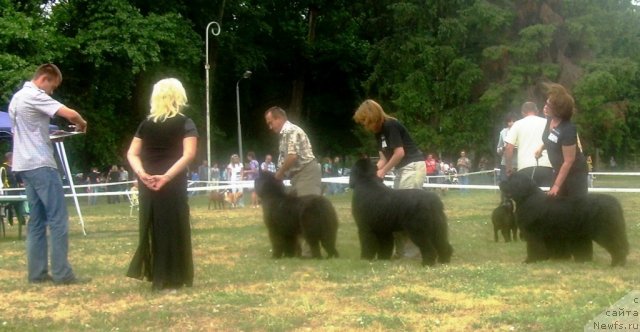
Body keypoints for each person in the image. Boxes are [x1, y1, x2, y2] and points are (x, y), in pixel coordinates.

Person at [8, 63, 89, 284]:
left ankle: (37, 274)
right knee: (58, 219)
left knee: (36, 220)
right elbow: (70, 114)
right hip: (41, 164)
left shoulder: (16, 99)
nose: (52, 92)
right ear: (44, 78)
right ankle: (63, 274)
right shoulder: (35, 95)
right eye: (52, 86)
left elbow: (28, 132)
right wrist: (82, 124)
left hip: (24, 164)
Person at [126, 78, 197, 291]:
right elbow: (189, 154)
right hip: (171, 183)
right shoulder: (186, 122)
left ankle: (158, 276)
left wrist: (142, 174)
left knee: (154, 227)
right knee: (175, 226)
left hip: (148, 182)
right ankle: (176, 276)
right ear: (179, 96)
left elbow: (132, 153)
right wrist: (166, 177)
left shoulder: (145, 124)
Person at [353, 99, 426, 258]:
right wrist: (374, 172)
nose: (365, 126)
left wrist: (384, 171)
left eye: (365, 121)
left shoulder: (390, 125)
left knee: (407, 210)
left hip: (413, 167)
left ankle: (412, 251)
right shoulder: (378, 133)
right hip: (402, 169)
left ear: (373, 116)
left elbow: (399, 153)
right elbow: (383, 158)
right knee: (396, 212)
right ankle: (401, 252)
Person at [535, 83, 588, 197]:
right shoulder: (550, 120)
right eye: (547, 102)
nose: (545, 106)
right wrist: (541, 147)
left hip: (575, 173)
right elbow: (552, 139)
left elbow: (569, 161)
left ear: (559, 110)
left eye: (549, 105)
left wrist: (557, 186)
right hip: (559, 171)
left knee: (574, 207)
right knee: (554, 204)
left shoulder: (568, 129)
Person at [264, 106, 321, 196]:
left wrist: (279, 174)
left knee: (307, 207)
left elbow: (292, 156)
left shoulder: (290, 131)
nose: (270, 127)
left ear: (279, 118)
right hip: (297, 176)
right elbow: (284, 159)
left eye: (270, 123)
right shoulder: (284, 135)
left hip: (306, 173)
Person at [504, 101, 553, 187]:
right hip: (546, 165)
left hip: (525, 167)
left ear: (522, 113)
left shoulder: (517, 124)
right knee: (546, 197)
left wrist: (509, 168)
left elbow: (508, 148)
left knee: (527, 198)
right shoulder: (547, 123)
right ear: (537, 111)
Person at [0, 152, 27, 226]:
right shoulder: (3, 168)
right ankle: (10, 221)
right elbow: (2, 180)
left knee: (19, 204)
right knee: (9, 206)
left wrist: (21, 183)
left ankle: (22, 221)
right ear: (9, 159)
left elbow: (18, 178)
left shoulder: (15, 167)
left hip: (16, 189)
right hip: (8, 190)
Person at [496, 113, 517, 181]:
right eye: (510, 121)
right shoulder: (503, 132)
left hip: (518, 164)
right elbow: (498, 149)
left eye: (514, 121)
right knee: (505, 185)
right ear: (507, 122)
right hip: (505, 163)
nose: (512, 123)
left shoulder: (521, 131)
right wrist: (503, 149)